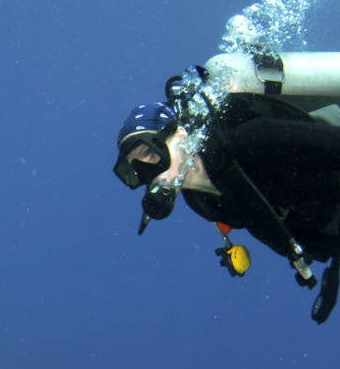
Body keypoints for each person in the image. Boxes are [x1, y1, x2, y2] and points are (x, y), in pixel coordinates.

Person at [113, 78, 340, 324]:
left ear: (179, 134)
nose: (150, 175)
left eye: (149, 153)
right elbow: (259, 217)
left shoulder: (255, 139)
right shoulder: (202, 202)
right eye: (135, 170)